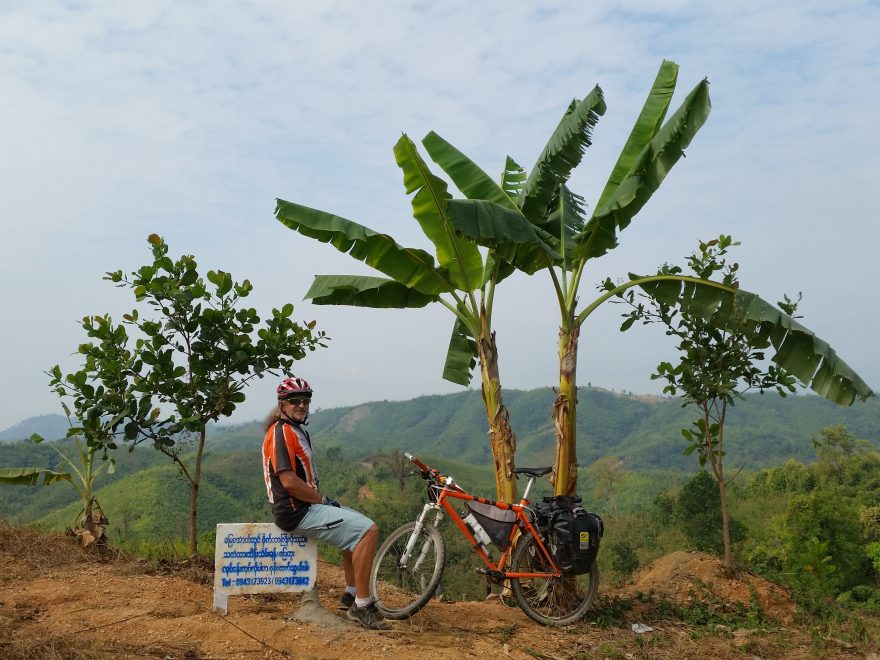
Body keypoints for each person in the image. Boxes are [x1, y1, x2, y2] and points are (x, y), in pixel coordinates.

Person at [262, 375, 389, 630]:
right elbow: (288, 482)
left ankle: (351, 594)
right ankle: (362, 607)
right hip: (297, 511)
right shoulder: (280, 432)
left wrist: (326, 502)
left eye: (305, 400)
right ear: (282, 404)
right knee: (368, 530)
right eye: (294, 400)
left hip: (305, 507)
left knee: (353, 525)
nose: (301, 405)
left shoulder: (296, 430)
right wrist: (322, 500)